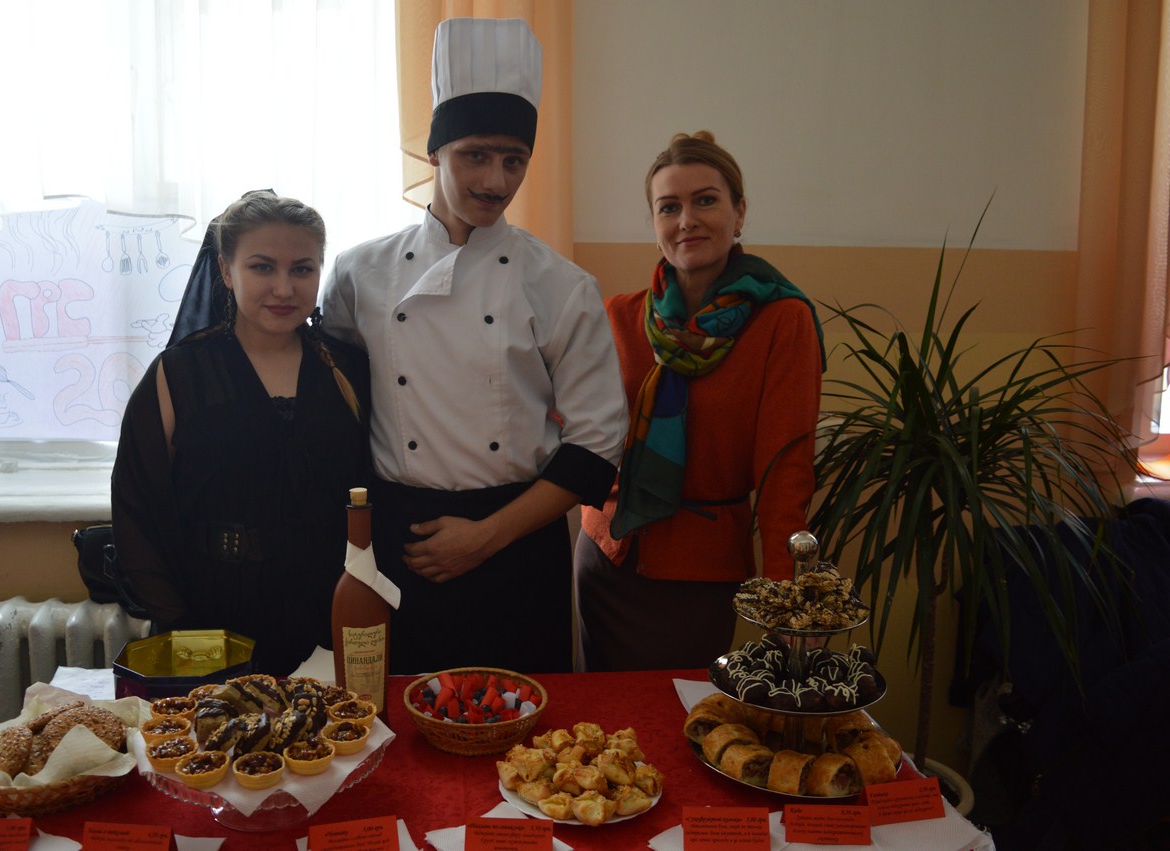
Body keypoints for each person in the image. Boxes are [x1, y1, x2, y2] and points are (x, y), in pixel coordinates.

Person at [318, 18, 627, 675]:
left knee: (529, 724)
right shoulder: (358, 272)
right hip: (401, 542)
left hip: (518, 544)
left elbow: (596, 447)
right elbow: (336, 405)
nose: (496, 180)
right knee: (395, 717)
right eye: (475, 156)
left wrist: (485, 537)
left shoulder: (561, 285)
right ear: (435, 152)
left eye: (514, 160)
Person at [574, 131, 826, 672]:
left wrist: (785, 598)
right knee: (601, 717)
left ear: (739, 214)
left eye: (705, 200)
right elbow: (570, 432)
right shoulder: (618, 316)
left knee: (681, 713)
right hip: (605, 557)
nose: (687, 220)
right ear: (655, 225)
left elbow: (785, 473)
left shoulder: (783, 322)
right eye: (669, 207)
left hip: (699, 575)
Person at [111, 190, 371, 676]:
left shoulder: (349, 371)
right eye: (262, 267)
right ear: (226, 271)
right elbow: (135, 511)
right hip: (210, 618)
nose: (283, 288)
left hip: (326, 617)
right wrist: (178, 625)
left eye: (302, 269)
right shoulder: (178, 374)